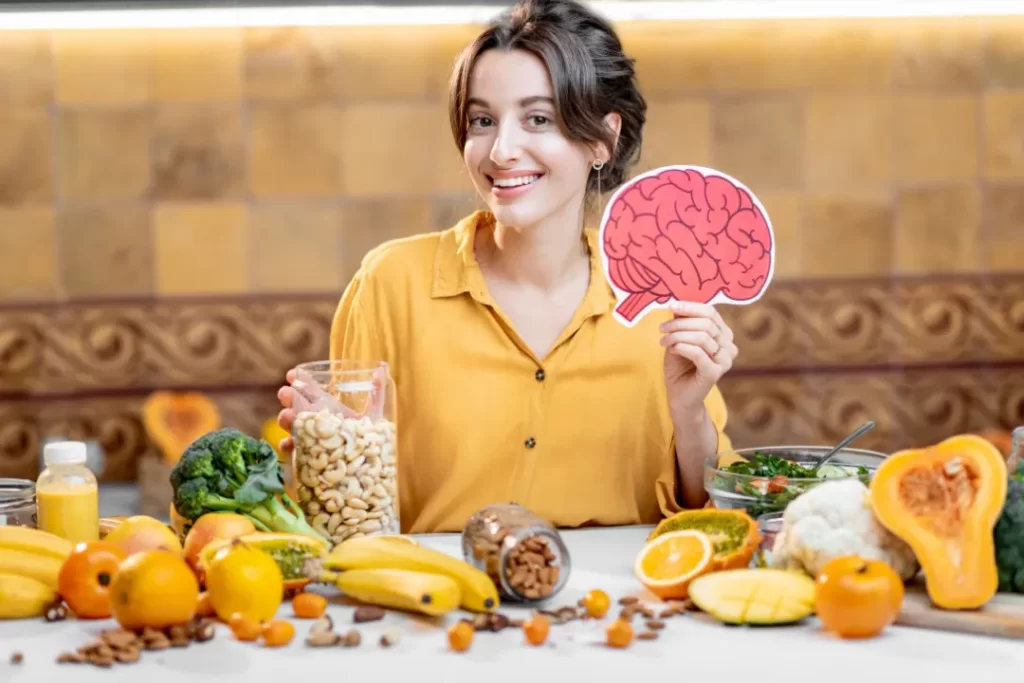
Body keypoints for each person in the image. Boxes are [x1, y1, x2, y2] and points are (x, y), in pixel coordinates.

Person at [276, 0, 739, 535]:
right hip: (443, 603)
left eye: (537, 119)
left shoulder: (661, 299)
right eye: (482, 120)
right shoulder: (391, 284)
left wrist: (689, 412)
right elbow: (353, 515)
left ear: (602, 140)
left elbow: (713, 522)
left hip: (624, 605)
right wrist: (336, 455)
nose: (501, 149)